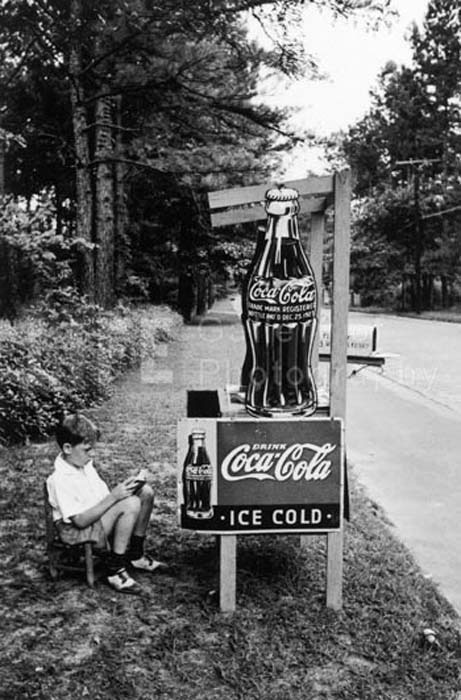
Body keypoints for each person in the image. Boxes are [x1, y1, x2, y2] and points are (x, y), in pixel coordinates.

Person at [47, 413, 165, 593]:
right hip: (81, 532)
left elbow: (102, 499)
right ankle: (115, 570)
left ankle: (136, 554)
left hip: (97, 520)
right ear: (68, 448)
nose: (90, 455)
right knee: (131, 503)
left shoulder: (84, 466)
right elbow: (79, 521)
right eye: (87, 450)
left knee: (145, 493)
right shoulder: (60, 479)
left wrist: (126, 489)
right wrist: (115, 497)